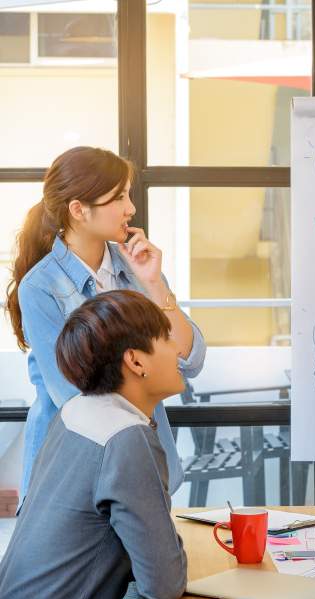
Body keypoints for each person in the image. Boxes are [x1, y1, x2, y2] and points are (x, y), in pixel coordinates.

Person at [4, 146, 206, 501]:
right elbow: (74, 394)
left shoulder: (139, 268)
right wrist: (148, 369)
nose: (131, 208)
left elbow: (190, 360)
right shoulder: (39, 287)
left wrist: (155, 285)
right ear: (79, 210)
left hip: (144, 456)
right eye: (119, 197)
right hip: (73, 467)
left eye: (129, 194)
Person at [0, 290, 188, 599]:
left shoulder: (75, 410)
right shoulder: (126, 437)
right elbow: (165, 584)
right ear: (136, 360)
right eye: (167, 338)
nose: (179, 350)